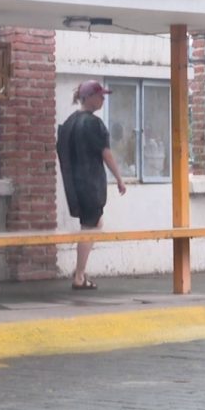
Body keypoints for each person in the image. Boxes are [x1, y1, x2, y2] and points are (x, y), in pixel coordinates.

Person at [56, 80, 126, 290]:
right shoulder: (94, 124)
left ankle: (80, 273)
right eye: (100, 95)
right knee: (90, 227)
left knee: (92, 225)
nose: (103, 99)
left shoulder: (68, 123)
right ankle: (79, 276)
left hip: (74, 185)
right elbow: (106, 154)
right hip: (90, 185)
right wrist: (120, 179)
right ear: (88, 98)